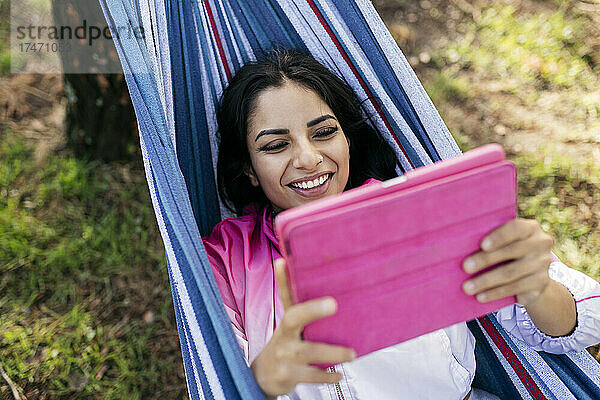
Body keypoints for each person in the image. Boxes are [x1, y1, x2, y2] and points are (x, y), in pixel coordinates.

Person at [202, 49, 600, 400]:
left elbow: (584, 323)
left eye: (324, 133)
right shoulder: (223, 259)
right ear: (249, 170)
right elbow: (216, 382)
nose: (308, 158)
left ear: (347, 140)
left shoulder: (417, 213)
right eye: (275, 145)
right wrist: (264, 377)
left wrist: (537, 287)